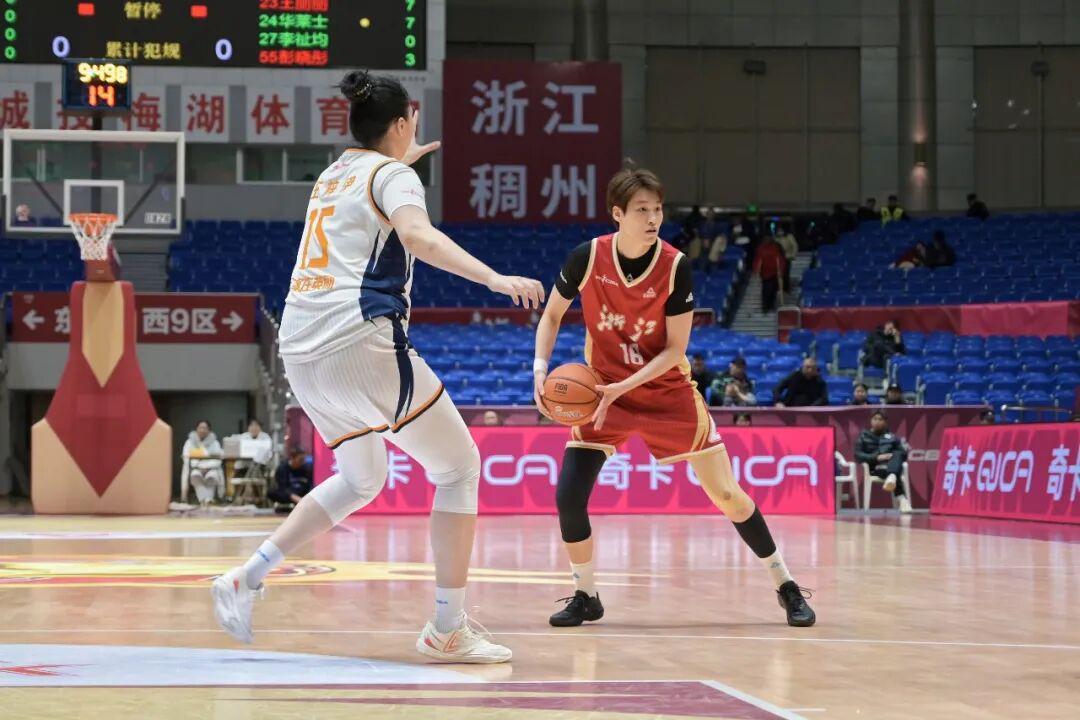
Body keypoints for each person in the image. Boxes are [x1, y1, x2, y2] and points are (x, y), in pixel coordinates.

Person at [211, 70, 545, 663]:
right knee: (459, 468)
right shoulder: (393, 177)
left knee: (362, 478)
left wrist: (400, 163)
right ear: (399, 123)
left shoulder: (333, 174)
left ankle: (247, 576)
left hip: (300, 350)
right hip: (357, 339)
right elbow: (418, 237)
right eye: (411, 118)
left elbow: (372, 199)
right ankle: (447, 628)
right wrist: (495, 279)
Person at [533, 166, 815, 630]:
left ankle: (785, 585)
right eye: (642, 210)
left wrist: (624, 386)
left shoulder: (674, 265)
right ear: (618, 214)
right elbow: (551, 317)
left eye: (658, 209)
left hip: (666, 392)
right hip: (604, 393)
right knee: (568, 496)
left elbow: (674, 350)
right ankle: (586, 594)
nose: (653, 218)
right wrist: (540, 372)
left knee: (727, 494)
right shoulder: (587, 257)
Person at [854, 411, 913, 513]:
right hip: (876, 467)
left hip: (891, 464)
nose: (877, 422)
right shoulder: (863, 436)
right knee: (894, 470)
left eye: (880, 419)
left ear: (885, 422)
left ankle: (892, 476)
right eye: (875, 419)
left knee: (898, 453)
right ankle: (902, 499)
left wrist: (892, 456)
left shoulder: (892, 437)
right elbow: (858, 455)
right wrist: (876, 457)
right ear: (871, 421)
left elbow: (903, 454)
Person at [182, 420, 224, 506]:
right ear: (196, 429)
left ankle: (205, 501)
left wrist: (207, 467)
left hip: (211, 468)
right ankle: (206, 500)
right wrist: (199, 467)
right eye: (200, 428)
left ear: (209, 430)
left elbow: (218, 459)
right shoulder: (189, 442)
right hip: (195, 468)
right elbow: (186, 458)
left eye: (205, 428)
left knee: (212, 476)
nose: (202, 430)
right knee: (195, 476)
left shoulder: (215, 443)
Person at [753, 235, 787, 313]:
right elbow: (757, 259)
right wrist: (756, 270)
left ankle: (770, 305)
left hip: (774, 273)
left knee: (772, 290)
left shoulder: (776, 247)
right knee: (766, 290)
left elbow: (781, 259)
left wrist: (781, 270)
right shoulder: (760, 248)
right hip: (764, 273)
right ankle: (765, 306)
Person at [774, 223, 798, 291]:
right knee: (778, 274)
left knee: (786, 274)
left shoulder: (789, 236)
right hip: (778, 259)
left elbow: (795, 246)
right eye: (778, 231)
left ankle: (786, 289)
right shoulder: (775, 238)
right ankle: (778, 289)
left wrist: (793, 255)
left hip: (787, 257)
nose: (780, 232)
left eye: (781, 231)